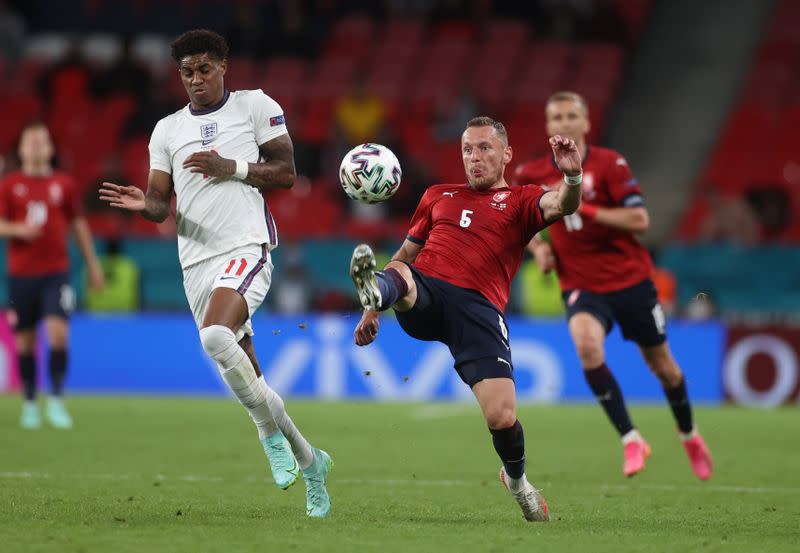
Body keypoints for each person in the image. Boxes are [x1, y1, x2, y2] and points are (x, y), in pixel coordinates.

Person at [98, 30, 331, 518]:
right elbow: (162, 203)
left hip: (247, 245)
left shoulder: (253, 106)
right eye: (187, 72)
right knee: (242, 364)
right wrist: (147, 206)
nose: (196, 79)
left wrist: (233, 167)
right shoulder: (166, 130)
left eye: (205, 68)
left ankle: (266, 434)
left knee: (214, 337)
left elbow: (287, 171)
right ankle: (311, 462)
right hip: (195, 261)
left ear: (224, 66)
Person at [350, 116, 584, 522]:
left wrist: (574, 175)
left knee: (502, 417)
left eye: (485, 148)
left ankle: (517, 482)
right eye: (468, 150)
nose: (475, 158)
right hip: (427, 293)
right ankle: (375, 289)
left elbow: (561, 203)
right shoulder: (437, 196)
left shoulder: (521, 201)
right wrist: (372, 308)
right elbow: (404, 257)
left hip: (478, 311)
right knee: (403, 276)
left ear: (506, 154)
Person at [512, 91, 713, 480]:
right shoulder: (529, 174)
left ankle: (689, 435)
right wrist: (538, 249)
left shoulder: (610, 164)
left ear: (586, 123)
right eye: (557, 117)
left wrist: (582, 207)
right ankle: (631, 438)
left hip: (631, 280)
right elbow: (514, 220)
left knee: (665, 368)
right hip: (581, 284)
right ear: (548, 126)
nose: (565, 123)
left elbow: (640, 220)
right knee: (587, 348)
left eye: (573, 115)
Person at [0, 121, 105, 428]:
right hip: (21, 275)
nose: (35, 146)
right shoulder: (9, 185)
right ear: (20, 149)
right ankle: (31, 403)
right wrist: (17, 228)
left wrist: (93, 265)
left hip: (56, 273)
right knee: (25, 343)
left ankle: (56, 399)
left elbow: (79, 226)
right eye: (29, 141)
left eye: (41, 141)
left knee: (59, 334)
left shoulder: (64, 185)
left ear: (49, 148)